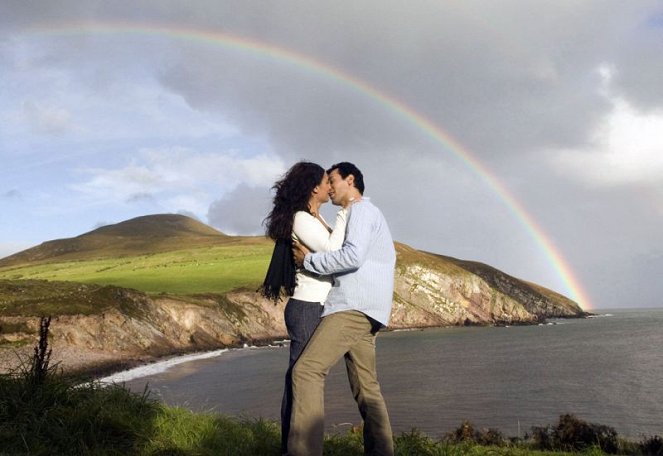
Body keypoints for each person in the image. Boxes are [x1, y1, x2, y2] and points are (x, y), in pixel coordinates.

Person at [288, 162, 396, 456]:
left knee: (306, 371)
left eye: (333, 180)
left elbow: (352, 257)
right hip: (371, 310)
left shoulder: (361, 211)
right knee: (367, 388)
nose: (330, 186)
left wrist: (308, 261)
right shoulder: (372, 214)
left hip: (352, 306)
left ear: (350, 180)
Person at [260, 161, 348, 455]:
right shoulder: (301, 219)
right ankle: (293, 447)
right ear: (314, 187)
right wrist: (348, 212)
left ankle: (294, 444)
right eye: (326, 181)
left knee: (300, 376)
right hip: (308, 307)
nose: (330, 186)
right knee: (302, 378)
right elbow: (335, 253)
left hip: (316, 307)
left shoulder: (316, 218)